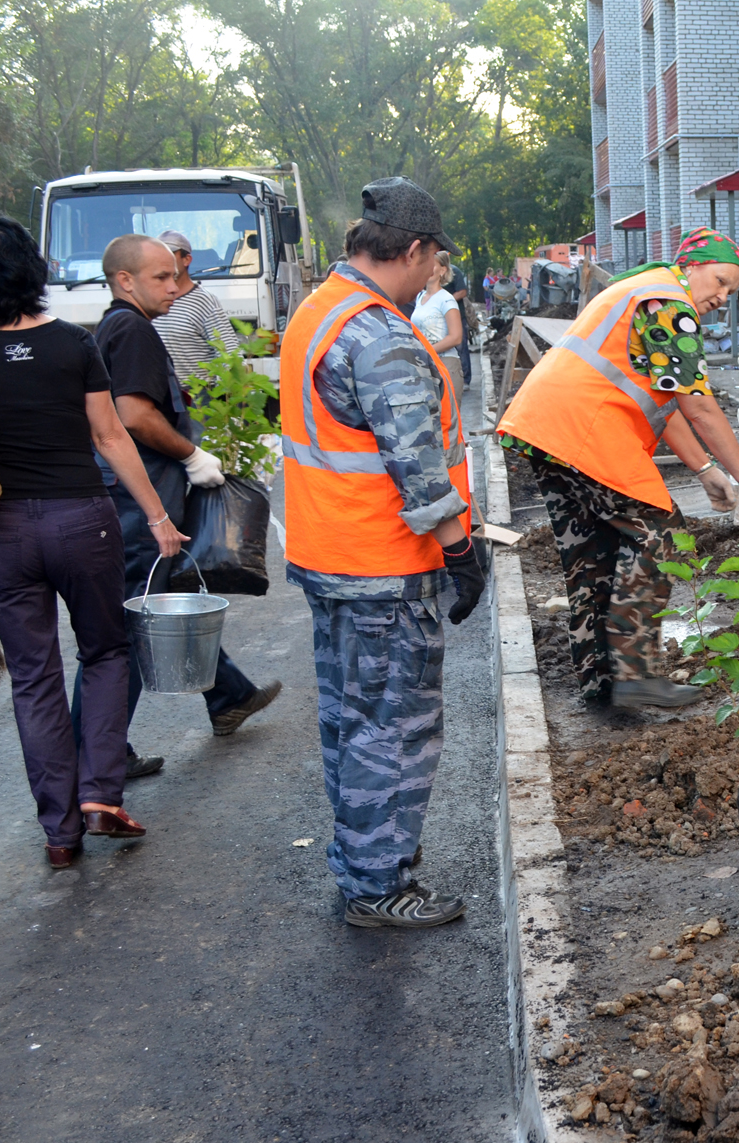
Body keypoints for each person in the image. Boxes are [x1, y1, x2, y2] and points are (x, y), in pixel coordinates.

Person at [0, 216, 186, 869]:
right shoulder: (72, 342)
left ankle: (60, 833)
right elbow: (112, 437)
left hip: (1, 533)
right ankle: (100, 794)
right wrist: (155, 516)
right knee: (106, 653)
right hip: (83, 522)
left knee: (34, 679)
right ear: (32, 271)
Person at [279, 176, 482, 929]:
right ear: (419, 249)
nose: (435, 276)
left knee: (351, 718)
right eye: (435, 263)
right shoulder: (380, 333)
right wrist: (461, 552)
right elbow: (419, 468)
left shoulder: (318, 311)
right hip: (382, 568)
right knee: (394, 727)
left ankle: (362, 859)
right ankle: (377, 884)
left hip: (329, 556)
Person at [497, 227, 739, 710]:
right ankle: (636, 672)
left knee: (592, 553)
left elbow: (665, 405)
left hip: (544, 429)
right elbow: (698, 406)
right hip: (582, 429)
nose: (722, 297)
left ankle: (601, 683)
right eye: (720, 281)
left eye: (732, 291)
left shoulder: (644, 290)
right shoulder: (667, 302)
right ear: (692, 266)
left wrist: (704, 469)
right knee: (663, 533)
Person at [78, 233, 282, 778]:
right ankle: (95, 756)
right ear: (126, 280)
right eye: (162, 278)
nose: (176, 287)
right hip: (141, 501)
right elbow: (136, 415)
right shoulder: (134, 329)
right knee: (131, 622)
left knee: (157, 605)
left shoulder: (115, 327)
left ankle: (227, 695)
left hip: (130, 499)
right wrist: (192, 455)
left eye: (175, 276)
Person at [151, 229, 243, 378]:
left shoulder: (204, 302)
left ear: (187, 260)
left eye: (170, 255)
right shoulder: (150, 300)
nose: (162, 261)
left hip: (197, 396)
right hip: (162, 397)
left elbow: (230, 355)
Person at [412, 251, 465, 405]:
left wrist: (426, 350)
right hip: (424, 365)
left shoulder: (446, 299)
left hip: (445, 365)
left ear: (443, 270)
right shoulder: (420, 297)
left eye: (432, 264)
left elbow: (456, 337)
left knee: (448, 420)